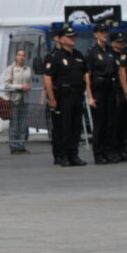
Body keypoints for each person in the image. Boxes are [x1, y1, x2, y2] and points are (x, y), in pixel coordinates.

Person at [44, 25, 88, 167]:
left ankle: (73, 154)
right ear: (61, 40)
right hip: (63, 96)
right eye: (69, 37)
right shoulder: (55, 56)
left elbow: (85, 74)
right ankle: (62, 155)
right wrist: (52, 98)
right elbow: (48, 78)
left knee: (76, 127)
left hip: (77, 95)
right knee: (64, 126)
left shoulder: (78, 55)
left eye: (73, 37)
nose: (73, 39)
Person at [85, 23, 121, 164]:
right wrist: (90, 95)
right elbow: (87, 74)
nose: (105, 34)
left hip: (110, 87)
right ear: (96, 34)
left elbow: (117, 71)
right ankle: (98, 153)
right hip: (98, 88)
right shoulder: (92, 52)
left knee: (110, 122)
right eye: (102, 32)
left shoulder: (111, 51)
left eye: (106, 32)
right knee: (100, 123)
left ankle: (108, 151)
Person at [0, 48, 33, 154]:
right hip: (14, 100)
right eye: (19, 55)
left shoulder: (28, 69)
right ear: (16, 56)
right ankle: (13, 146)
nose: (21, 57)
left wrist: (28, 87)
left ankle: (21, 146)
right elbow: (7, 84)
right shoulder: (11, 68)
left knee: (23, 124)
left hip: (25, 100)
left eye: (23, 55)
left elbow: (30, 81)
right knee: (14, 124)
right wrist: (20, 87)